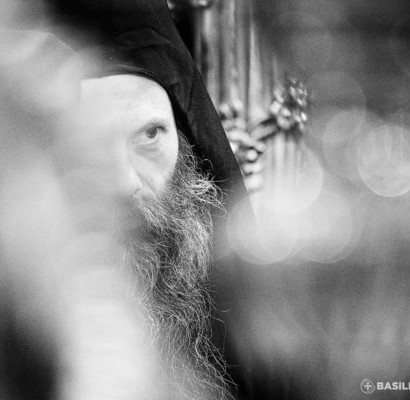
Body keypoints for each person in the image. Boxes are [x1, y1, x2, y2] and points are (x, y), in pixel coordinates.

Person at [47, 0, 256, 399]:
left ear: (189, 144)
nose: (124, 183)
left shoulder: (263, 340)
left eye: (149, 135)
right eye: (86, 144)